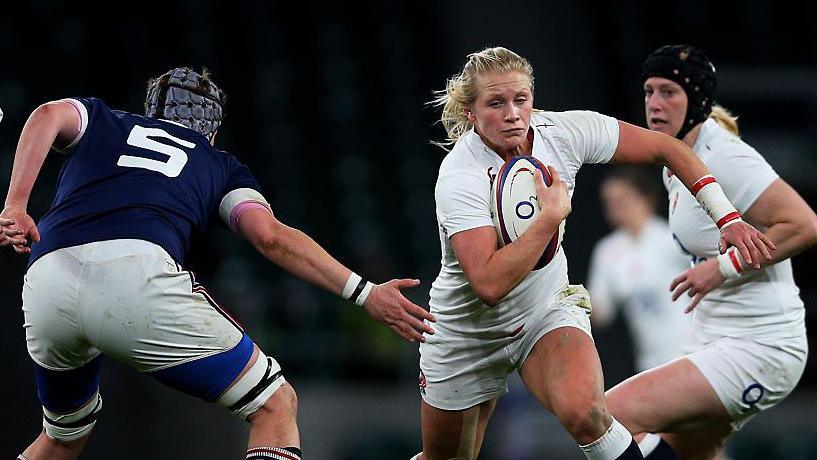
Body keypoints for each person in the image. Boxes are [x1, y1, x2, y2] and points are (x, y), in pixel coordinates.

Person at [0, 67, 435, 460]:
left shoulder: (105, 120)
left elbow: (47, 114)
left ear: (150, 110)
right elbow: (272, 237)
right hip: (135, 275)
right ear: (212, 130)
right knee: (275, 404)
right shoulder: (218, 163)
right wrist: (366, 292)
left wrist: (16, 204)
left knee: (61, 436)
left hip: (46, 278)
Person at [411, 46, 773, 460]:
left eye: (521, 100)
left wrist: (727, 218)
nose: (512, 113)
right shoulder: (460, 177)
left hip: (541, 313)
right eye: (496, 103)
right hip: (466, 333)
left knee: (589, 414)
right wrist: (550, 218)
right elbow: (489, 284)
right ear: (471, 113)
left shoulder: (562, 134)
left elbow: (668, 149)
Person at [605, 44, 817, 460]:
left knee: (609, 415)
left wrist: (722, 267)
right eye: (649, 92)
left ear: (697, 100)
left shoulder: (725, 156)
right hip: (715, 341)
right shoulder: (676, 161)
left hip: (761, 346)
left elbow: (805, 225)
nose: (655, 104)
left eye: (669, 92)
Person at [588, 167, 691, 372]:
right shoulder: (607, 250)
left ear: (646, 198)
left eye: (621, 200)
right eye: (609, 202)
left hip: (690, 350)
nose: (614, 208)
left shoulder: (670, 237)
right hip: (649, 361)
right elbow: (602, 313)